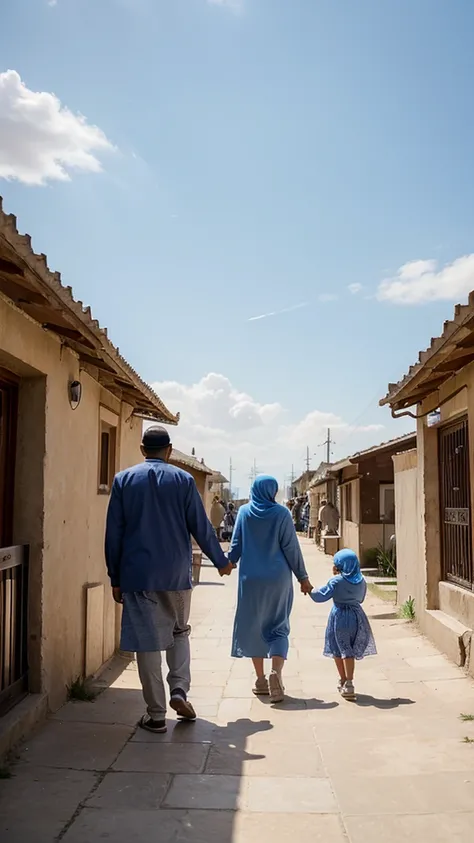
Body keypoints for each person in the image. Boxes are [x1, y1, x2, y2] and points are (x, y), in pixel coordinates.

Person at [105, 426, 234, 734]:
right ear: (169, 449)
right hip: (177, 574)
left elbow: (114, 533)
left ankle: (156, 714)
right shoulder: (184, 480)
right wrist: (220, 561)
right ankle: (179, 690)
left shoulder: (124, 480)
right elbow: (200, 526)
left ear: (141, 449)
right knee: (179, 632)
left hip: (138, 575)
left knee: (147, 643)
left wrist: (115, 576)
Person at [228, 475, 313, 703]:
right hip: (277, 579)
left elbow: (236, 546)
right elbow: (291, 548)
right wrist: (303, 578)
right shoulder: (282, 513)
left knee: (254, 627)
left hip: (251, 580)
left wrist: (225, 564)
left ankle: (260, 680)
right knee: (278, 627)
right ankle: (277, 672)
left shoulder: (244, 512)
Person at [309, 548, 376, 700]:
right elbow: (361, 599)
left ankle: (347, 681)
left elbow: (321, 596)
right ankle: (347, 681)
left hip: (339, 617)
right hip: (357, 616)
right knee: (349, 648)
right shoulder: (362, 581)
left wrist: (310, 590)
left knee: (339, 648)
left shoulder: (336, 581)